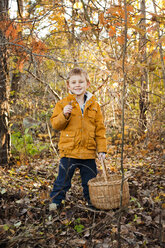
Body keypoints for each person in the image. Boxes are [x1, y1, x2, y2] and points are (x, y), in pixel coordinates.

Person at [49, 67, 107, 210]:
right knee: (63, 181)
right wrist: (64, 114)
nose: (77, 85)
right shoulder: (63, 104)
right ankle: (55, 203)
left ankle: (91, 203)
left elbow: (100, 129)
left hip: (88, 151)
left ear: (87, 84)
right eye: (74, 82)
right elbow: (56, 124)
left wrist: (102, 150)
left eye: (81, 82)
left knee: (89, 181)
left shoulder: (94, 106)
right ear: (69, 85)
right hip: (69, 151)